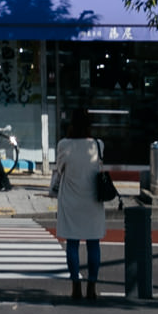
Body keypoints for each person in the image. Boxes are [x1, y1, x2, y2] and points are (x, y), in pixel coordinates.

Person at [52, 124, 115, 303]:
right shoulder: (97, 144)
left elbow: (60, 167)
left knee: (72, 243)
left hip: (71, 198)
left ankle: (75, 285)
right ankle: (92, 286)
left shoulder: (64, 145)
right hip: (93, 199)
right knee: (93, 243)